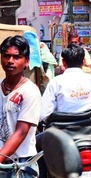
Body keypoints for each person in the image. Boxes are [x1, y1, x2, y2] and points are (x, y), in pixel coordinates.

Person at [0, 35, 41, 173]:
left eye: (16, 57)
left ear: (26, 61)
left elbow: (21, 132)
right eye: (6, 56)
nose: (10, 61)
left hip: (21, 165)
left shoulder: (30, 91)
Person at [40, 43, 91, 122]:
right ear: (84, 62)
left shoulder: (55, 82)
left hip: (62, 130)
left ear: (63, 62)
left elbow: (44, 113)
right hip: (89, 129)